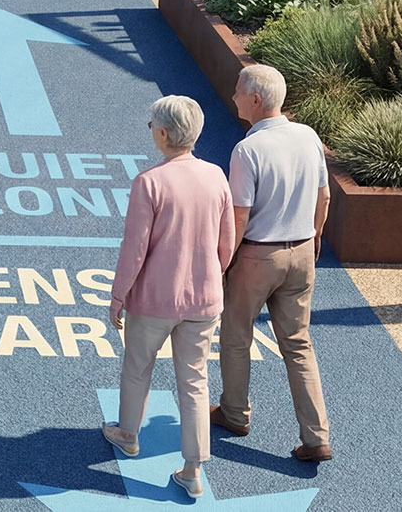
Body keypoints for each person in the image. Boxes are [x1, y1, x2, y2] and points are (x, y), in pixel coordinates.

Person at [102, 96, 236, 501]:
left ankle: (128, 434)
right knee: (194, 382)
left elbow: (134, 250)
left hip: (153, 301)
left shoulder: (148, 183)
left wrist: (118, 296)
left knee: (137, 367)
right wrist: (210, 276)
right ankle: (193, 469)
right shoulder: (216, 177)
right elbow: (226, 244)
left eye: (151, 126)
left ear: (162, 134)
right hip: (204, 300)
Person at [216, 64, 333, 464]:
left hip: (256, 257)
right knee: (298, 345)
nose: (233, 96)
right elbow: (324, 196)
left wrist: (222, 264)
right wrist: (315, 237)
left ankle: (234, 414)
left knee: (236, 337)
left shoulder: (247, 150)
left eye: (238, 91)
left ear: (255, 99)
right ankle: (317, 437)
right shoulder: (308, 136)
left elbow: (239, 217)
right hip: (302, 252)